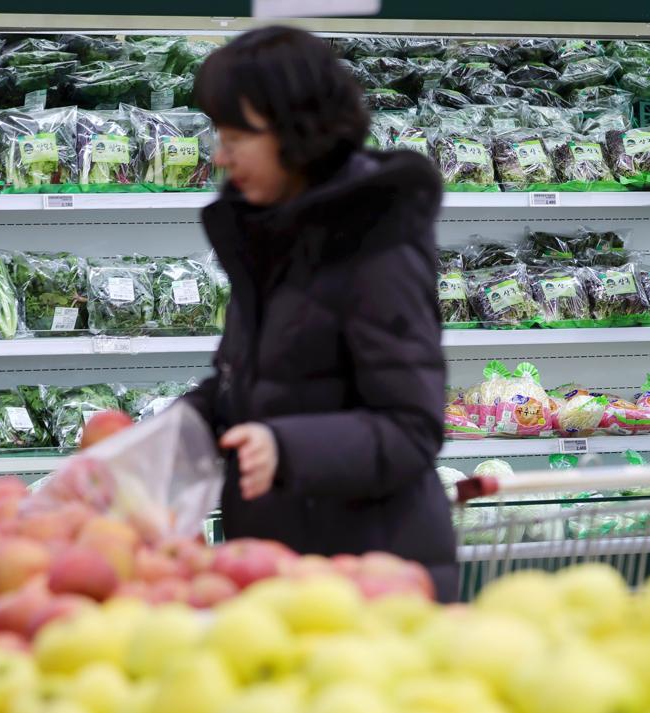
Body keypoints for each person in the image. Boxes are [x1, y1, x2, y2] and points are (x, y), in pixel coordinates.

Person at [183, 26, 458, 601]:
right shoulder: (271, 234)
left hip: (372, 583)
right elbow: (260, 383)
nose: (219, 155)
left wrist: (286, 447)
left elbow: (411, 429)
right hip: (291, 574)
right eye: (218, 134)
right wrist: (180, 426)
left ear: (296, 131)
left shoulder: (376, 244)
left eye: (236, 136)